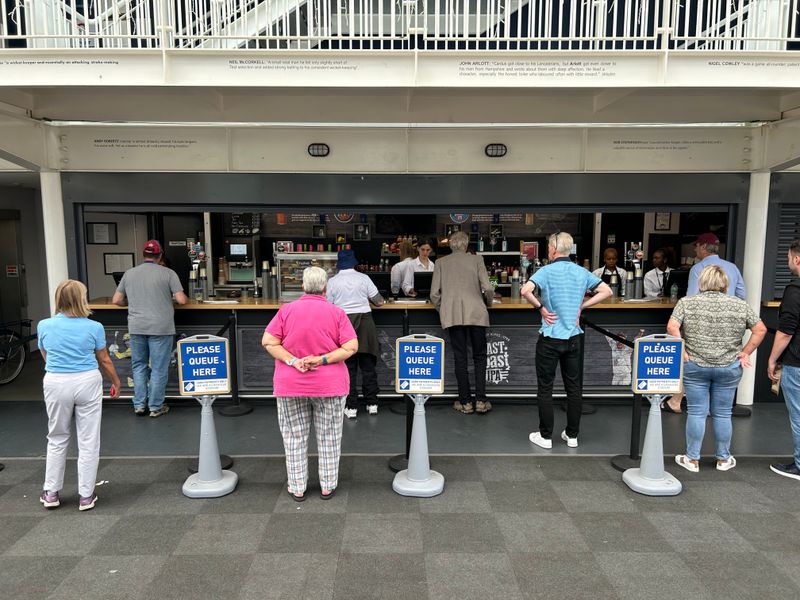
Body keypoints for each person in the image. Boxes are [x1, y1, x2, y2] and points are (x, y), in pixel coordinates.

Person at [262, 266, 358, 500]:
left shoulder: (286, 311)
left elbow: (268, 342)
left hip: (290, 384)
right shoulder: (337, 313)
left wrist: (293, 361)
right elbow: (351, 347)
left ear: (302, 286)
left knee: (294, 437)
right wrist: (322, 359)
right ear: (326, 288)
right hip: (330, 386)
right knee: (329, 437)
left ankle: (297, 487)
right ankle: (327, 485)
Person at [667, 265, 766, 473]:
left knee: (696, 412)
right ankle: (723, 458)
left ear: (702, 282)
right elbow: (760, 329)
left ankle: (692, 459)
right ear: (725, 283)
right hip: (728, 366)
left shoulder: (687, 303)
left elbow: (672, 326)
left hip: (695, 364)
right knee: (722, 413)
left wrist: (682, 350)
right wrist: (746, 352)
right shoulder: (739, 305)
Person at [522, 232, 612, 449]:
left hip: (550, 337)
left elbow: (525, 290)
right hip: (574, 337)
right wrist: (582, 306)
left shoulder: (546, 271)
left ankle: (545, 437)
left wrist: (542, 308)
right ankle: (572, 436)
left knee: (545, 388)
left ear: (553, 249)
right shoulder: (582, 272)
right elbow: (606, 291)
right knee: (574, 388)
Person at [37, 280, 121, 511]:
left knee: (56, 436)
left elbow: (45, 354)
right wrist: (116, 380)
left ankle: (52, 493)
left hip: (55, 381)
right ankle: (86, 495)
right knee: (89, 440)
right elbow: (104, 359)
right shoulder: (94, 327)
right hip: (87, 381)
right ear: (81, 299)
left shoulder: (44, 325)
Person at [112, 240, 187, 417]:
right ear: (160, 255)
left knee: (138, 366)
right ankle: (155, 407)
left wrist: (129, 303)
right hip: (161, 327)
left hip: (137, 326)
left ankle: (139, 405)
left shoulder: (129, 274)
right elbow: (182, 300)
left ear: (144, 255)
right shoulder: (169, 273)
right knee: (159, 368)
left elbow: (116, 300)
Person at [430, 231, 495, 414]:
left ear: (451, 245)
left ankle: (465, 402)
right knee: (480, 356)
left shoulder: (441, 263)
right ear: (466, 245)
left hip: (453, 315)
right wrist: (487, 303)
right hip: (476, 313)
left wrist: (443, 307)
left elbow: (434, 294)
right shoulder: (477, 260)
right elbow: (488, 288)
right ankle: (481, 401)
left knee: (460, 357)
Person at [327, 249, 384, 419]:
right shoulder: (364, 278)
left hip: (344, 325)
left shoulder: (332, 282)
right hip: (366, 324)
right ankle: (372, 403)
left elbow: (328, 307)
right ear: (354, 262)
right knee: (368, 366)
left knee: (348, 368)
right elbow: (379, 301)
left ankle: (351, 407)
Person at [767, 240, 800, 480]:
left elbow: (787, 330)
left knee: (798, 415)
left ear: (797, 259)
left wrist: (772, 359)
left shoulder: (794, 290)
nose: (787, 261)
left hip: (797, 363)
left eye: (788, 257)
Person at [687, 232, 745, 299]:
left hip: (705, 309)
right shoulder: (733, 267)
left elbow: (691, 298)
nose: (695, 249)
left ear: (703, 247)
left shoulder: (697, 269)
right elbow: (741, 295)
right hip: (728, 308)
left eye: (696, 246)